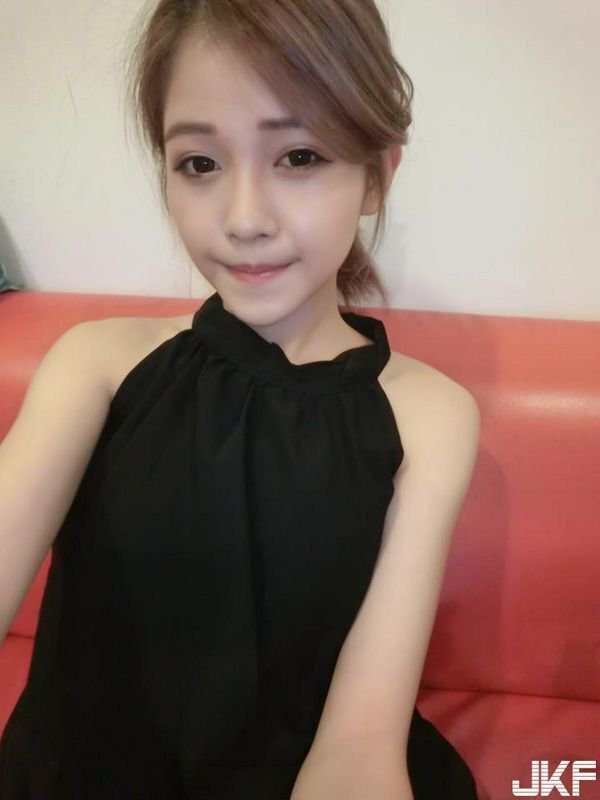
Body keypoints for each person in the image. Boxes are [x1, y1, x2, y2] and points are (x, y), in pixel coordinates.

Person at [0, 1, 482, 797]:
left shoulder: (430, 417)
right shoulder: (97, 364)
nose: (244, 219)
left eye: (300, 156)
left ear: (377, 175)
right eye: (199, 164)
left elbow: (359, 749)